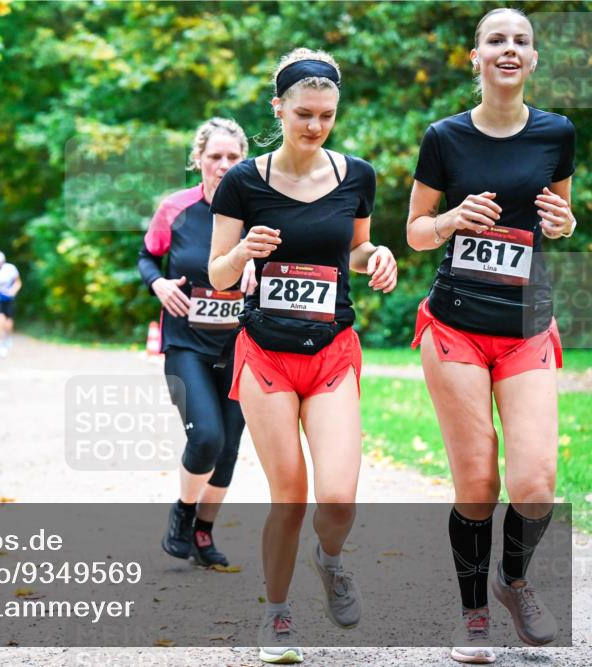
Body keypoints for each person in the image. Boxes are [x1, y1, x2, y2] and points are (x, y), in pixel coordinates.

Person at [208, 49, 397, 664]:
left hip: (333, 352)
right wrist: (242, 257)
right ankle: (277, 614)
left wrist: (380, 258)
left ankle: (331, 559)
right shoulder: (243, 182)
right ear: (278, 109)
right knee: (289, 494)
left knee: (337, 498)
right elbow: (217, 274)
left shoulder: (358, 176)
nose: (314, 126)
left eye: (326, 115)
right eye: (303, 114)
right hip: (266, 352)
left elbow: (358, 250)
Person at [406, 8, 574, 663]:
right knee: (477, 483)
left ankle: (514, 577)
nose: (509, 49)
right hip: (455, 325)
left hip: (526, 324)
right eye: (495, 40)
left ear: (533, 59)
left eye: (521, 41)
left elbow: (557, 217)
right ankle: (473, 614)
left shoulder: (556, 133)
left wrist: (563, 222)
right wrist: (452, 217)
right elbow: (416, 231)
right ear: (474, 56)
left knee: (535, 481)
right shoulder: (443, 137)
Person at [139, 117, 254, 569]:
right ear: (199, 160)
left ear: (244, 161)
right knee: (205, 436)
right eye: (215, 157)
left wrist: (258, 271)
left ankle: (203, 534)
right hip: (186, 343)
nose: (223, 166)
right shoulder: (175, 208)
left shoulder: (258, 211)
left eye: (232, 158)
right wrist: (159, 284)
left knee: (228, 446)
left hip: (242, 347)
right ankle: (183, 513)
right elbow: (147, 255)